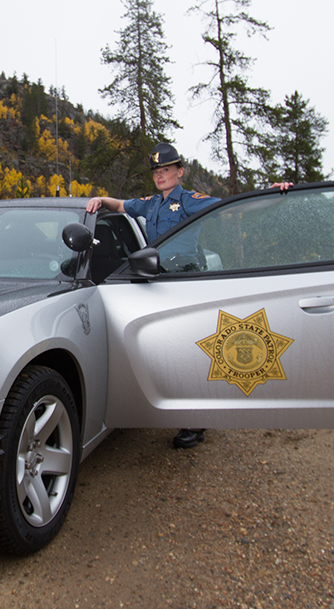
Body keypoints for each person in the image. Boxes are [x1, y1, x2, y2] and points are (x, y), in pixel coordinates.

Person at [85, 142, 290, 449]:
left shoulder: (190, 201)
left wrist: (273, 194)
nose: (160, 175)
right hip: (157, 282)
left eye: (166, 169)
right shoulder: (151, 204)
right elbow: (121, 206)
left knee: (190, 351)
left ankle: (194, 421)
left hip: (186, 280)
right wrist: (100, 199)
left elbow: (232, 208)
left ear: (179, 172)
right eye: (156, 171)